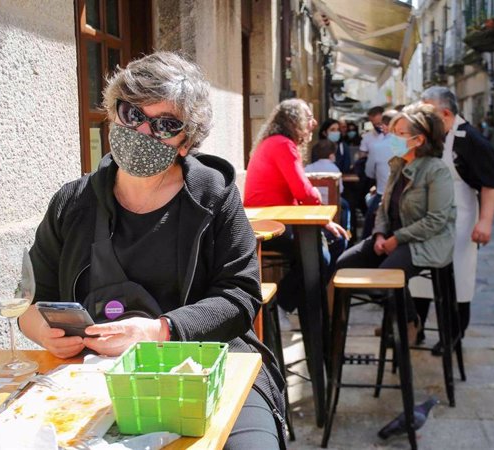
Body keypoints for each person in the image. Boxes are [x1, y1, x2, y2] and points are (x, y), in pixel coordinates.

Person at [19, 52, 286, 448]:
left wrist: (160, 331)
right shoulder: (72, 202)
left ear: (186, 142)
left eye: (166, 125)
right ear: (113, 114)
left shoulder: (214, 195)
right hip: (89, 374)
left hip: (210, 365)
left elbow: (239, 296)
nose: (143, 130)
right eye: (132, 114)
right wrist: (44, 332)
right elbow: (31, 301)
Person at [334, 103, 456, 345]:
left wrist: (396, 239)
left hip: (426, 242)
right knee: (343, 265)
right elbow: (383, 206)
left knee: (386, 276)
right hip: (391, 237)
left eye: (399, 134)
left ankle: (406, 321)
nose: (392, 138)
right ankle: (343, 331)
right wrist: (379, 234)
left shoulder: (436, 171)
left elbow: (435, 220)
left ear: (418, 140)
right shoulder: (398, 165)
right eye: (392, 132)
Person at [244, 99, 349, 312]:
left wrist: (323, 219)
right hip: (270, 223)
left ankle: (300, 306)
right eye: (309, 117)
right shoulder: (283, 144)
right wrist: (323, 218)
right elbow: (305, 192)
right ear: (295, 121)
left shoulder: (273, 142)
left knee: (325, 246)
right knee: (326, 250)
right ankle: (286, 306)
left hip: (270, 219)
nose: (314, 122)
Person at [422, 86, 494, 344]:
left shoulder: (472, 141)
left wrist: (485, 222)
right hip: (425, 219)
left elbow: (491, 184)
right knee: (420, 278)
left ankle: (453, 335)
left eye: (428, 113)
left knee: (458, 278)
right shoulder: (429, 137)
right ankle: (416, 327)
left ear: (445, 113)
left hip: (460, 218)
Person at [363, 110, 397, 239]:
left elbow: (369, 173)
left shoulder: (378, 147)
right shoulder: (408, 145)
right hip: (402, 195)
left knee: (368, 233)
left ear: (384, 126)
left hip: (383, 194)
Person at [305, 139, 351, 230]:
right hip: (332, 204)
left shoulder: (308, 168)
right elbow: (340, 189)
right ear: (331, 155)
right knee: (346, 206)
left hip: (313, 204)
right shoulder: (334, 169)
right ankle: (346, 230)